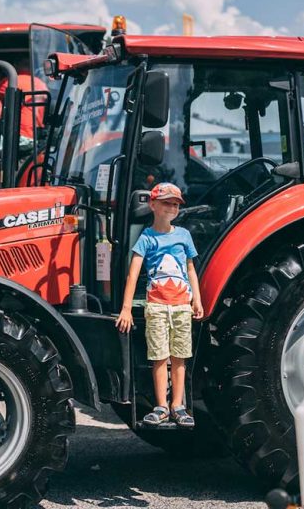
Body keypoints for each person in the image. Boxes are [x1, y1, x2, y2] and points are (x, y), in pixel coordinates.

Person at [115, 183, 204, 427]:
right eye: (166, 202)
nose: (172, 207)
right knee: (159, 357)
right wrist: (125, 308)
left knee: (180, 357)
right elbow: (133, 274)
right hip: (156, 306)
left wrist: (196, 299)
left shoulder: (183, 235)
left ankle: (178, 405)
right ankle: (161, 406)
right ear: (152, 205)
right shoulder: (146, 237)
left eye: (175, 204)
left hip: (181, 306)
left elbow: (190, 269)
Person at [0, 59, 48, 191]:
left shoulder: (14, 80)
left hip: (19, 135)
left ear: (16, 66)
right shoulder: (40, 83)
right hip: (35, 137)